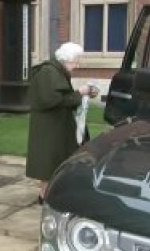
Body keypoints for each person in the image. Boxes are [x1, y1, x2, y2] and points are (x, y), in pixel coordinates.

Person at [26, 42, 99, 204]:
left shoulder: (55, 71)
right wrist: (80, 93)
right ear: (66, 60)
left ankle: (49, 193)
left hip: (56, 124)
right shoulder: (49, 72)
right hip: (49, 126)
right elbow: (52, 100)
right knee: (48, 161)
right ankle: (44, 195)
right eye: (75, 61)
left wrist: (84, 94)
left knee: (55, 159)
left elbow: (62, 97)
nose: (77, 65)